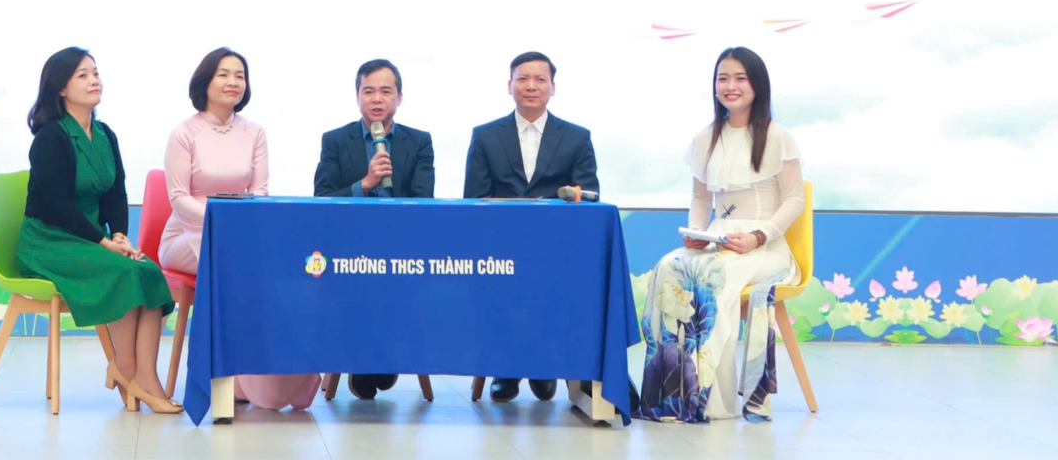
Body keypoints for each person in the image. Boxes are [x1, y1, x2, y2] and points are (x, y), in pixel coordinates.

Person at [634, 46, 805, 423]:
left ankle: (710, 399)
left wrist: (759, 236)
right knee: (669, 267)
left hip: (765, 246)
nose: (730, 86)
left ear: (757, 85)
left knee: (712, 277)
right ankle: (669, 395)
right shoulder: (705, 138)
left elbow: (795, 200)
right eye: (723, 78)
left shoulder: (778, 136)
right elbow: (700, 199)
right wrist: (697, 233)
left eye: (740, 78)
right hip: (720, 240)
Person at [16, 47, 182, 415]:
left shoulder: (106, 134)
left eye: (96, 73)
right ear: (61, 88)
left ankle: (142, 375)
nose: (94, 80)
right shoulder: (50, 138)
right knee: (122, 271)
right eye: (83, 75)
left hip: (94, 238)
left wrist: (119, 234)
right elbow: (57, 206)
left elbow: (116, 192)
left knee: (147, 270)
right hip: (49, 240)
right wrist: (105, 242)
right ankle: (128, 370)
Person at [157, 47, 321, 411]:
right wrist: (222, 222)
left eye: (240, 75)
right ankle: (223, 383)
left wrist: (241, 229)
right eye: (224, 74)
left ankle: (272, 376)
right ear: (205, 81)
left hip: (239, 237)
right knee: (233, 268)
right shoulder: (184, 133)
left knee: (281, 268)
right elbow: (179, 197)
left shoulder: (254, 132)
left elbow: (259, 191)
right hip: (187, 234)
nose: (233, 82)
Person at [463, 51, 600, 404]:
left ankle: (543, 366)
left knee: (556, 281)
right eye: (522, 78)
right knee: (503, 283)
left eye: (540, 79)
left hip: (555, 246)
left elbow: (588, 197)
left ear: (553, 87)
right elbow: (473, 200)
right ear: (509, 85)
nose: (531, 86)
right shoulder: (485, 136)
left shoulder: (576, 137)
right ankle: (506, 368)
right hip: (500, 247)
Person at [313, 58, 435, 400]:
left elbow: (424, 200)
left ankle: (375, 357)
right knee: (359, 274)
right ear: (357, 97)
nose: (377, 99)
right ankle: (373, 358)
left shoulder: (419, 141)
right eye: (368, 91)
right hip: (349, 244)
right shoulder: (336, 140)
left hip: (401, 244)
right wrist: (364, 184)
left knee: (394, 274)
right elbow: (322, 199)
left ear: (399, 97)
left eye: (385, 91)